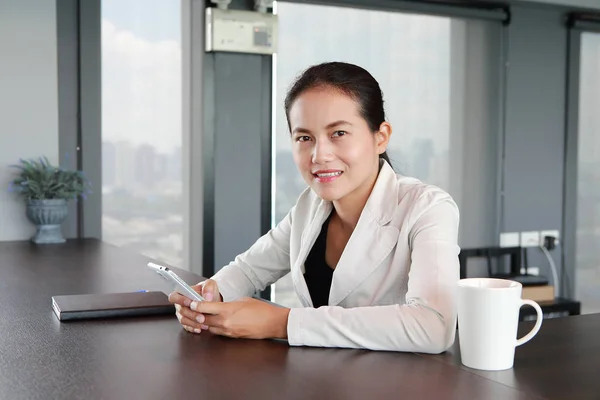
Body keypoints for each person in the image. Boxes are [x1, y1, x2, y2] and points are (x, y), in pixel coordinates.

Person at [169, 61, 460, 354]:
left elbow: (434, 326)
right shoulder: (310, 205)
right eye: (304, 138)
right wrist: (208, 296)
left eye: (339, 134)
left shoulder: (427, 208)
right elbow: (248, 270)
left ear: (380, 137)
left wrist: (282, 323)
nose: (319, 155)